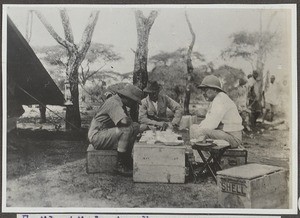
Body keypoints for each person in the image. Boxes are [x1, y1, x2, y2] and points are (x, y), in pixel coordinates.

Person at [88, 84, 143, 176]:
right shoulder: (114, 102)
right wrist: (129, 121)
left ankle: (127, 159)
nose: (134, 104)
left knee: (135, 126)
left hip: (105, 133)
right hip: (97, 136)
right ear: (128, 98)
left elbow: (129, 122)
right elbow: (124, 121)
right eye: (134, 101)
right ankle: (120, 165)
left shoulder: (120, 103)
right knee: (126, 130)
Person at [190, 75, 243, 148]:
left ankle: (202, 158)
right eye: (203, 91)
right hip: (226, 134)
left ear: (215, 90)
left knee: (199, 132)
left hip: (233, 138)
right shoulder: (217, 99)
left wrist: (199, 129)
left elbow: (212, 124)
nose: (204, 93)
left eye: (206, 90)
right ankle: (201, 156)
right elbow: (208, 120)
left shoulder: (220, 99)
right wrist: (198, 127)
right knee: (194, 128)